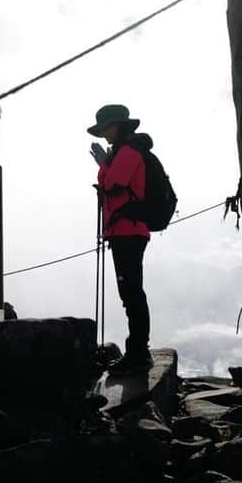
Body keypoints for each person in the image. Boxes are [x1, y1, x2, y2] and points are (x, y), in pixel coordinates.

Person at [88, 104, 154, 376]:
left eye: (107, 128)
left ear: (119, 126)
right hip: (125, 231)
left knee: (132, 294)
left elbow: (113, 184)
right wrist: (106, 164)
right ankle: (138, 351)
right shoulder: (124, 151)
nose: (104, 134)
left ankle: (138, 353)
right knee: (131, 292)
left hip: (128, 231)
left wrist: (104, 164)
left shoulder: (128, 152)